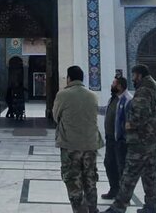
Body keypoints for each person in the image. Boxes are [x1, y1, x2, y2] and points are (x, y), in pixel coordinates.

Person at [104, 64, 156, 213]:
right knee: (150, 175)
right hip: (152, 138)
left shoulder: (142, 91)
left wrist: (130, 124)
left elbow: (140, 113)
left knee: (129, 174)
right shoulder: (154, 90)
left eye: (134, 75)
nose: (133, 79)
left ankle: (119, 207)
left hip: (140, 140)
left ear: (140, 75)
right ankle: (150, 206)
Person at [53, 66, 104, 213]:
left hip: (71, 146)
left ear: (69, 78)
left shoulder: (63, 95)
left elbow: (56, 116)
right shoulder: (93, 95)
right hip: (90, 145)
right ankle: (92, 209)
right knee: (90, 180)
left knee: (73, 181)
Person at [102, 76, 132, 200]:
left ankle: (123, 195)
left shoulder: (128, 100)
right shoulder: (113, 99)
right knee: (109, 163)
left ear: (119, 86)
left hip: (120, 140)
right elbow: (106, 110)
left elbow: (130, 119)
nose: (112, 85)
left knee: (122, 166)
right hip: (110, 138)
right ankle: (114, 189)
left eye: (114, 83)